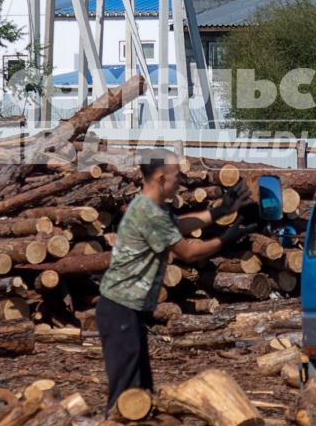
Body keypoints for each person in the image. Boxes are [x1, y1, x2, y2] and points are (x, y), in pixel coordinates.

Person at [94, 151, 255, 408]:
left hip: (126, 309)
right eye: (177, 175)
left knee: (142, 393)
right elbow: (188, 252)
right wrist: (226, 239)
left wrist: (220, 211)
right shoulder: (149, 213)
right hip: (120, 309)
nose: (181, 180)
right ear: (160, 178)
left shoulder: (155, 207)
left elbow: (178, 225)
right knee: (126, 394)